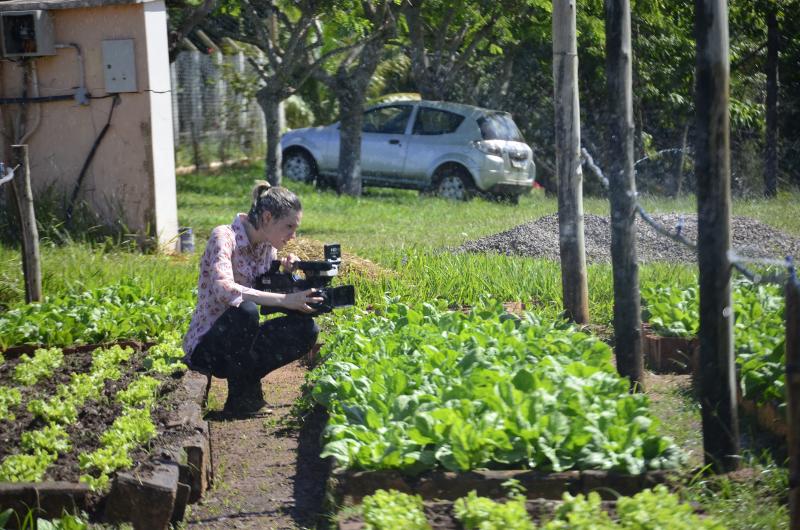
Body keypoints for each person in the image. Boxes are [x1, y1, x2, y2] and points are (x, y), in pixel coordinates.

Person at [182, 181, 322, 415]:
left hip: (240, 348)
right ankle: (241, 397)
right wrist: (286, 299)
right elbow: (225, 290)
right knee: (245, 311)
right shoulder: (223, 236)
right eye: (289, 226)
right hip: (209, 346)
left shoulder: (268, 247)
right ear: (267, 217)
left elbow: (263, 292)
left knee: (306, 329)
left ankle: (246, 394)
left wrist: (285, 275)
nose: (293, 236)